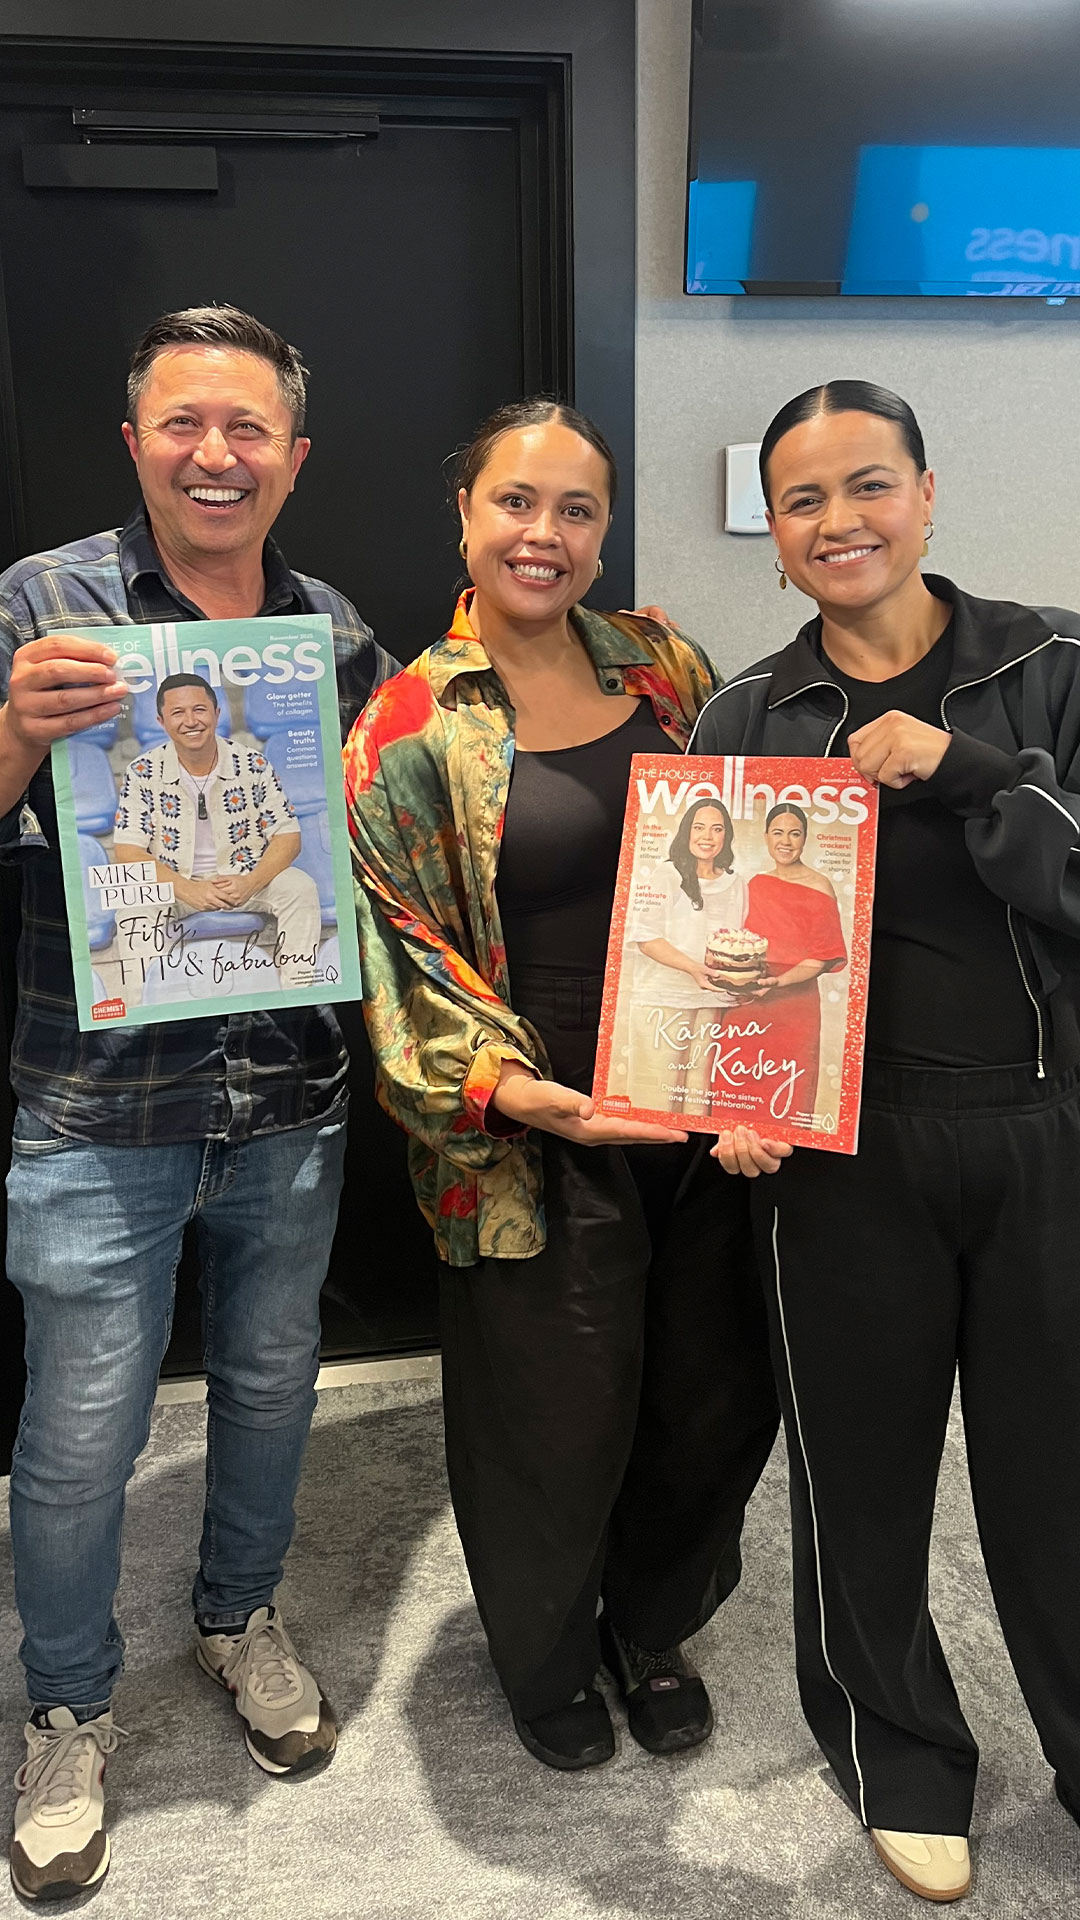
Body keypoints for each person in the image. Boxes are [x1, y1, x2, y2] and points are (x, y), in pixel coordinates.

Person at [0, 304, 398, 1902]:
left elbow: (372, 852)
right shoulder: (52, 603)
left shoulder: (334, 633)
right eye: (184, 424)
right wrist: (17, 735)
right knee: (82, 1437)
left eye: (248, 431)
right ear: (136, 444)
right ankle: (68, 1704)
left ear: (294, 461)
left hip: (289, 1093)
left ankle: (238, 1617)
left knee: (275, 1384)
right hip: (98, 1103)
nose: (215, 455)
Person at [346, 398, 778, 1773]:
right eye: (517, 504)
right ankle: (544, 1654)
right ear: (464, 520)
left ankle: (649, 1624)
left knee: (708, 1390)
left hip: (699, 1095)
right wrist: (520, 1095)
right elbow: (396, 955)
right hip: (535, 1125)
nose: (546, 533)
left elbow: (750, 855)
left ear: (603, 533)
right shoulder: (411, 725)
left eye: (576, 508)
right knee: (552, 1419)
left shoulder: (663, 665)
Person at [691, 379, 1080, 1903]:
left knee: (1059, 1478)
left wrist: (970, 771)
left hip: (1047, 1133)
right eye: (803, 501)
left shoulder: (1050, 664)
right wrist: (729, 1087)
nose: (838, 522)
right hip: (840, 1164)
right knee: (857, 1478)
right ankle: (901, 1755)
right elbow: (701, 945)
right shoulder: (748, 715)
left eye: (867, 487)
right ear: (777, 538)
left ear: (926, 496)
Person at [113, 672, 321, 991]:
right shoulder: (142, 772)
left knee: (300, 886)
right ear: (161, 721)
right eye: (177, 712)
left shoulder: (253, 764)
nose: (190, 720)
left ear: (216, 714)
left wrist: (250, 882)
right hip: (177, 883)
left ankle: (300, 991)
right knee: (133, 905)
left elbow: (288, 834)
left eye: (199, 709)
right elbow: (128, 851)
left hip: (242, 876)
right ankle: (146, 1006)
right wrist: (187, 888)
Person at [628, 796, 748, 1112]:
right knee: (660, 1099)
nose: (707, 837)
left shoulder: (736, 883)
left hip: (712, 997)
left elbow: (734, 939)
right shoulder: (665, 874)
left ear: (727, 836)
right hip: (664, 998)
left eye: (716, 829)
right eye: (699, 827)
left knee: (698, 1098)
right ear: (686, 831)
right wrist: (693, 968)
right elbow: (645, 938)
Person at [736, 802, 846, 1114]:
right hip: (747, 1005)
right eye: (778, 833)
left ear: (804, 838)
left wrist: (778, 981)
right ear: (766, 836)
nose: (786, 841)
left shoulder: (820, 885)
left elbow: (821, 958)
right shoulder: (755, 883)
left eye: (794, 833)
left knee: (789, 1094)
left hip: (795, 1008)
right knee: (736, 1093)